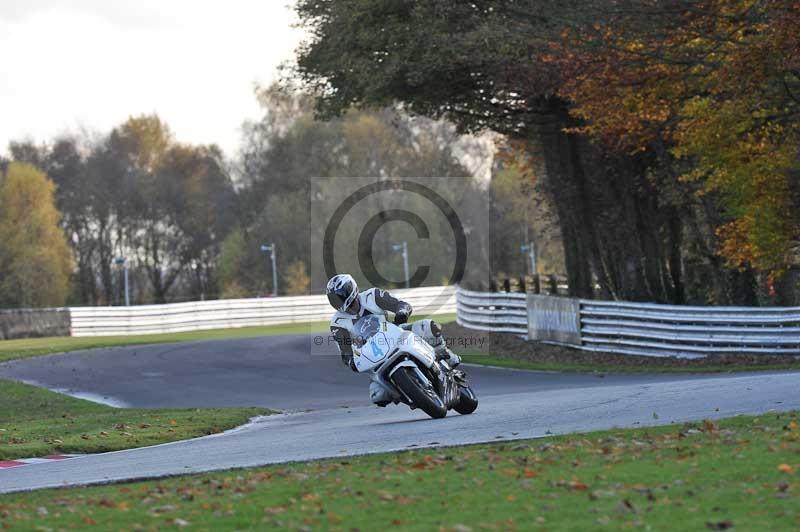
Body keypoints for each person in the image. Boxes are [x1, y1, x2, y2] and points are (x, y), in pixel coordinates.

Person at [326, 273, 460, 406]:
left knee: (429, 327)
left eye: (339, 296)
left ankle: (446, 355)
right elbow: (344, 349)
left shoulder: (372, 295)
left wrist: (402, 312)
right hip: (373, 352)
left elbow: (401, 305)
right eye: (334, 299)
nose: (338, 301)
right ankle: (407, 393)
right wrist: (350, 360)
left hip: (394, 333)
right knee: (378, 396)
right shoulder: (337, 322)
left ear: (350, 289)